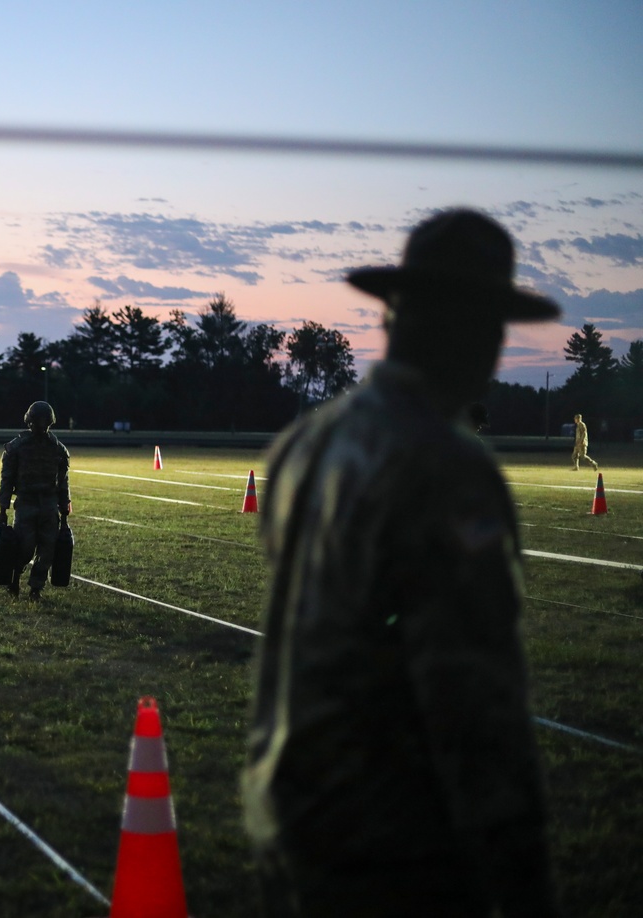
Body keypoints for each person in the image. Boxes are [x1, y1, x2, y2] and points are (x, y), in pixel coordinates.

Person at [243, 209, 562, 917]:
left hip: (292, 817)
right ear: (477, 330)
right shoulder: (445, 466)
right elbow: (475, 707)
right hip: (391, 844)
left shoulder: (305, 443)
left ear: (392, 318)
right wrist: (522, 880)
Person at [0, 401, 71, 601]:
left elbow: (63, 481)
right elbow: (7, 479)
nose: (41, 424)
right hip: (26, 503)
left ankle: (36, 588)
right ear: (30, 421)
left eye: (45, 420)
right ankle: (14, 578)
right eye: (38, 420)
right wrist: (3, 507)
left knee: (48, 549)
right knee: (25, 546)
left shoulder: (57, 449)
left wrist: (65, 505)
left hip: (49, 503)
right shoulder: (17, 448)